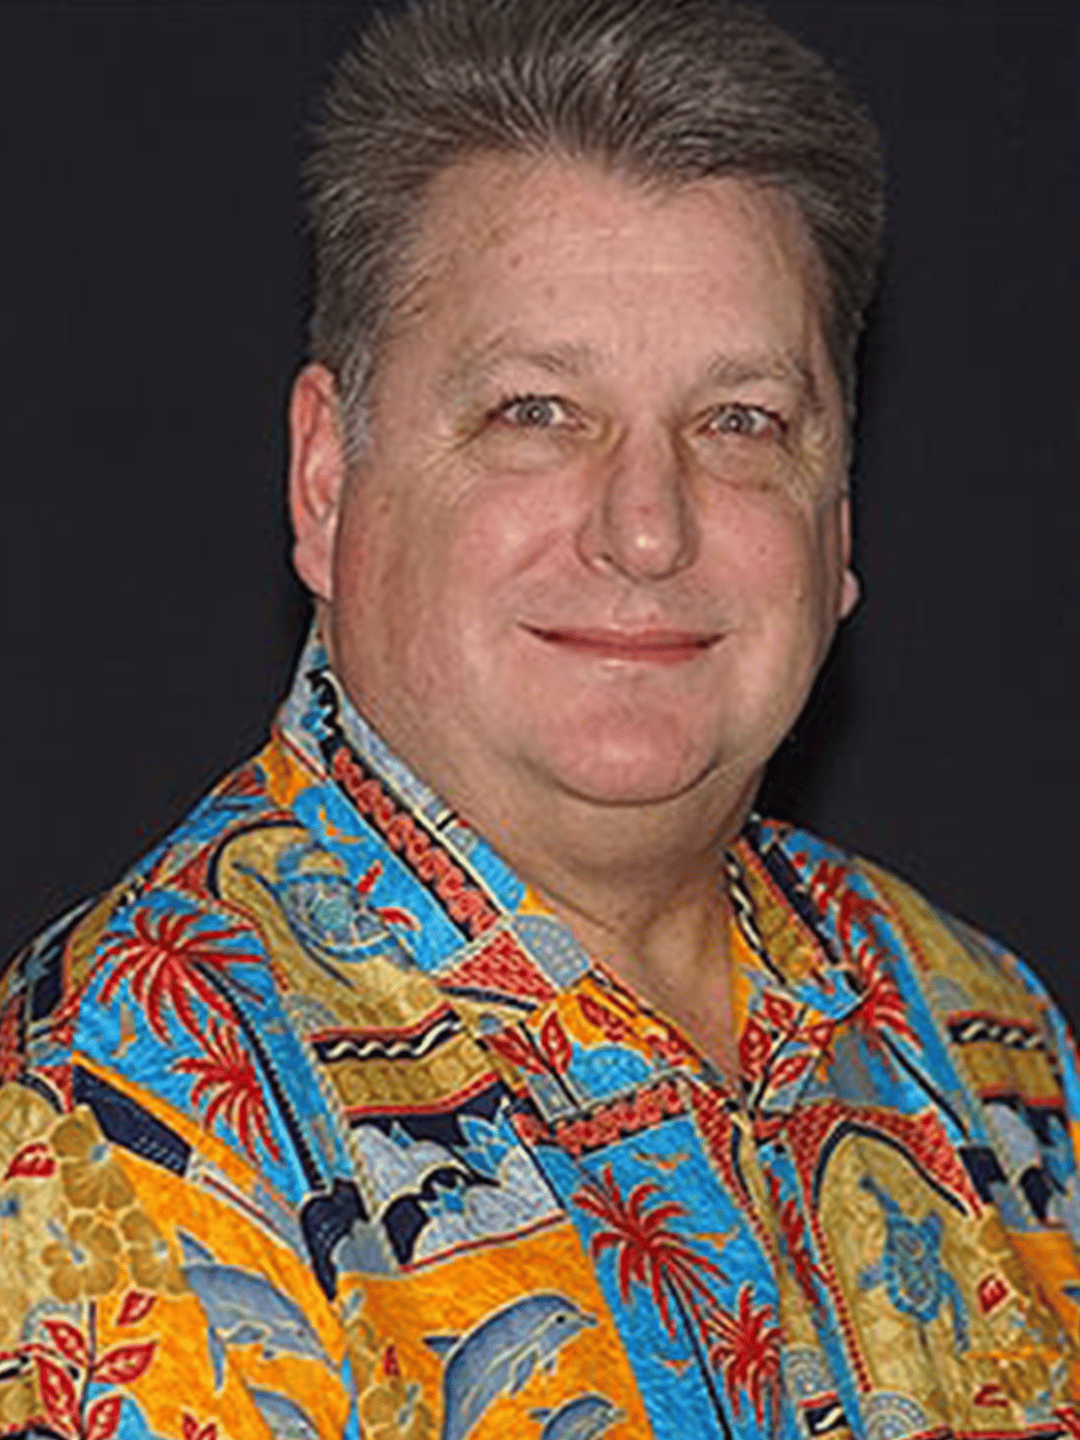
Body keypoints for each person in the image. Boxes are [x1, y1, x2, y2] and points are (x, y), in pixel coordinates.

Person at [2, 0, 1079, 1436]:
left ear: (839, 521)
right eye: (537, 411)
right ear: (327, 478)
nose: (647, 528)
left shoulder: (989, 1041)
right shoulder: (118, 1115)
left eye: (742, 421)